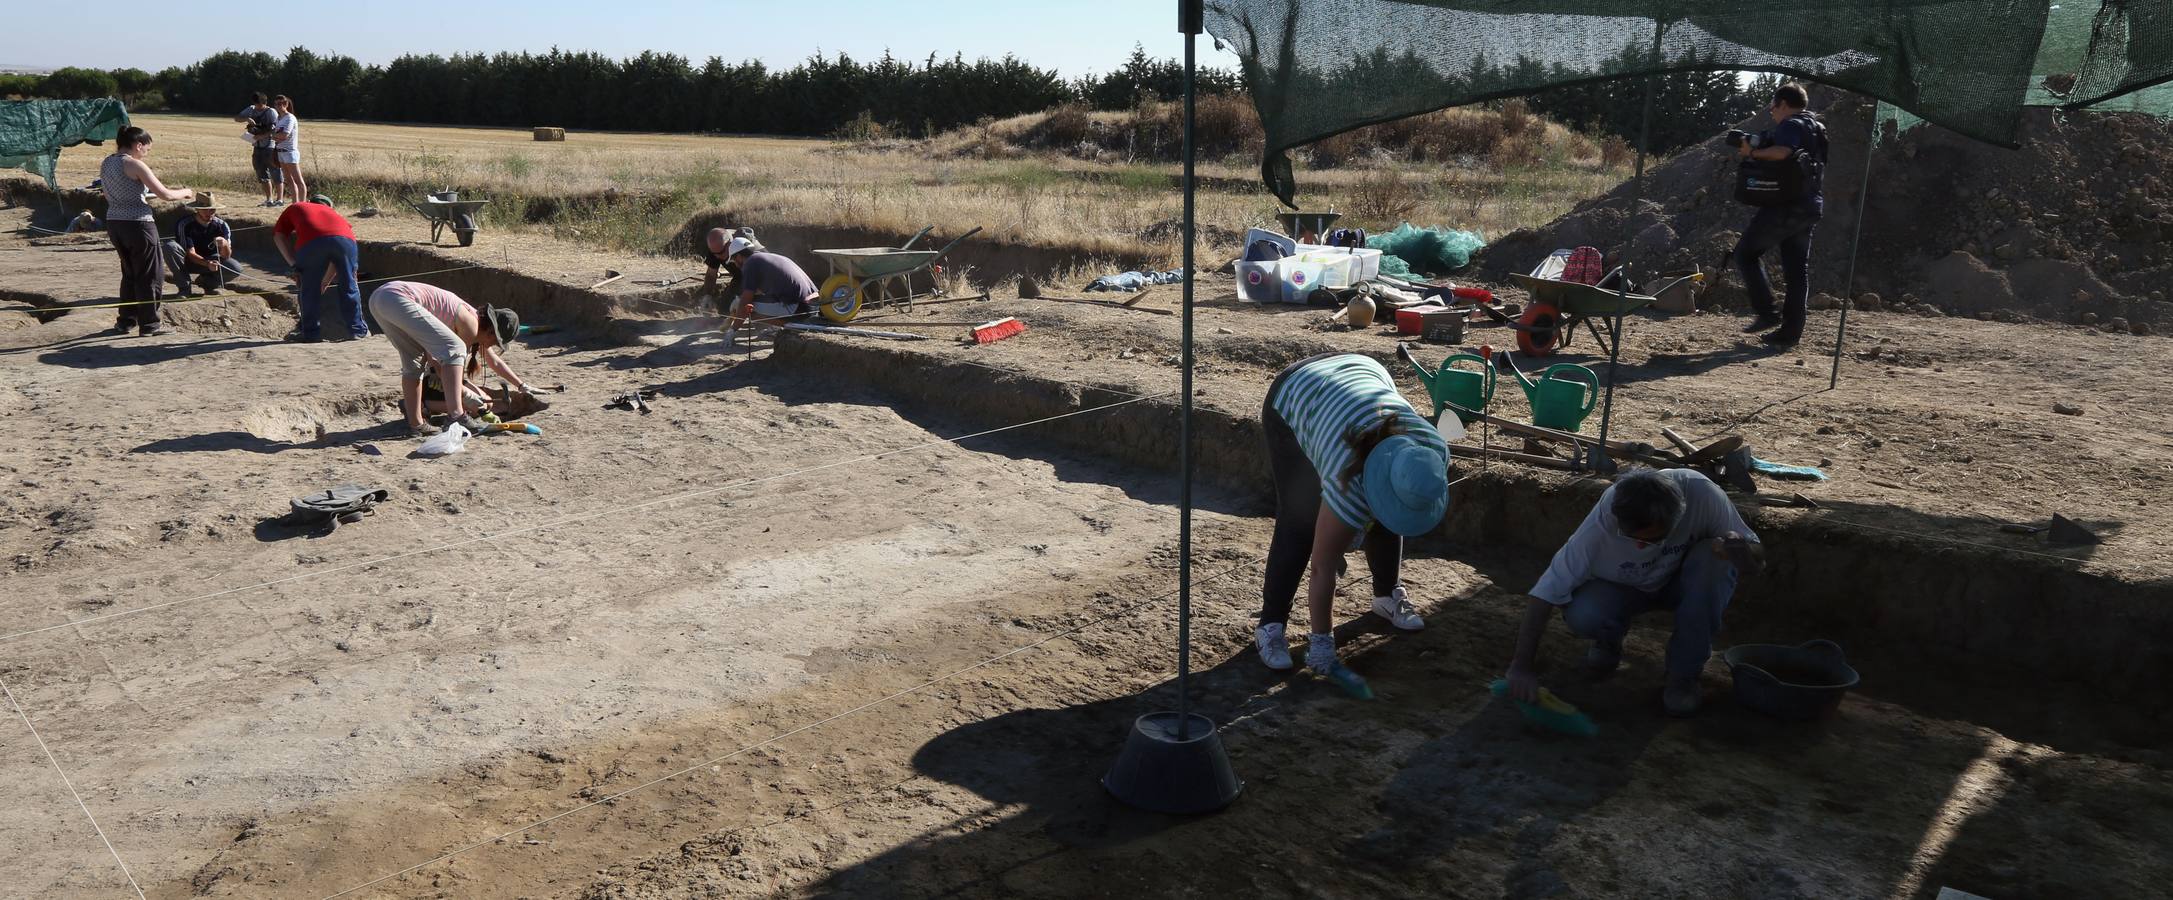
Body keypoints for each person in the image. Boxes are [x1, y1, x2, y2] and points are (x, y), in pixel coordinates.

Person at [1256, 352, 1458, 698]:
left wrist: (1358, 528)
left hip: (1363, 373)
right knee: (1300, 520)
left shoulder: (1431, 451)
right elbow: (1321, 568)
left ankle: (1385, 595)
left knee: (1389, 507)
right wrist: (1322, 642)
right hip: (1297, 394)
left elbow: (1393, 500)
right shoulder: (1347, 476)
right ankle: (1270, 624)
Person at [1501, 469, 1764, 717]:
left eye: (1650, 539)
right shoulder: (1603, 522)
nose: (1640, 545)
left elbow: (1756, 559)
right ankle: (1608, 640)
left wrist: (1739, 551)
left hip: (1682, 585)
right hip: (1625, 588)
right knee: (1585, 614)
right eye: (1632, 538)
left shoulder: (1703, 495)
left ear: (1679, 515)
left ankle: (1682, 678)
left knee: (1715, 562)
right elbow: (1547, 590)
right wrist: (1521, 667)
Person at [365, 280, 545, 437]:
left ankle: (416, 424)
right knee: (455, 348)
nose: (492, 346)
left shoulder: (474, 323)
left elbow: (494, 361)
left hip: (380, 299)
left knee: (414, 362)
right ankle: (456, 416)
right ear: (491, 331)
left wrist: (522, 385)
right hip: (398, 298)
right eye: (496, 341)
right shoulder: (471, 325)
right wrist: (466, 395)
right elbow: (439, 362)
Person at [1732, 82, 1827, 349]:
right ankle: (1790, 333)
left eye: (1773, 106)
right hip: (1810, 206)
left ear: (1784, 104)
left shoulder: (1791, 124)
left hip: (1786, 205)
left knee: (1746, 253)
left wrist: (1752, 152)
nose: (1772, 112)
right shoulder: (1817, 128)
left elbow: (1782, 152)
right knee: (1797, 272)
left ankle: (1767, 313)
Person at [99, 126, 193, 336]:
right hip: (139, 224)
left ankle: (126, 321)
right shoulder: (134, 164)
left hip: (114, 222)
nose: (146, 154)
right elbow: (165, 194)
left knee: (129, 273)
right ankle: (150, 324)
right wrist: (186, 192)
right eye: (146, 149)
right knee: (150, 274)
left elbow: (107, 193)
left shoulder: (107, 163)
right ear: (138, 145)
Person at [272, 195, 367, 342]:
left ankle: (310, 334)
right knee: (349, 285)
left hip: (312, 242)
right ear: (329, 206)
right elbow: (335, 248)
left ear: (310, 202)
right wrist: (325, 281)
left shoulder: (297, 206)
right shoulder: (335, 215)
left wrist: (293, 264)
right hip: (346, 241)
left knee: (309, 290)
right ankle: (357, 331)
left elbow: (279, 235)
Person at [718, 237, 819, 346]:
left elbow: (745, 303)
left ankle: (791, 326)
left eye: (734, 261)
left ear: (739, 257)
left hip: (800, 307)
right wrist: (740, 299)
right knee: (745, 304)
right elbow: (760, 290)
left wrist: (733, 330)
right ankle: (781, 326)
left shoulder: (750, 264)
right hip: (814, 304)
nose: (736, 265)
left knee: (748, 309)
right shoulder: (765, 258)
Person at [161, 193, 244, 297]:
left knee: (235, 268)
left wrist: (225, 245)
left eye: (212, 209)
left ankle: (208, 284)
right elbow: (190, 254)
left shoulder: (222, 225)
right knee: (169, 246)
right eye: (205, 209)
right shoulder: (185, 224)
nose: (209, 213)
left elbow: (226, 256)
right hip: (187, 261)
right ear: (197, 209)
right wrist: (207, 264)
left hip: (212, 261)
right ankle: (184, 289)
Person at [233, 92, 284, 206]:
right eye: (255, 105)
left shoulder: (271, 112)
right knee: (261, 173)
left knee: (275, 172)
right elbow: (236, 118)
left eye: (259, 105)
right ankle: (269, 200)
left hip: (270, 146)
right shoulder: (251, 109)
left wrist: (262, 136)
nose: (257, 107)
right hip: (257, 146)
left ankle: (280, 200)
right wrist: (247, 119)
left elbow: (276, 129)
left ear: (264, 103)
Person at [269, 95, 307, 206]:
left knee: (298, 180)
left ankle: (303, 204)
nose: (280, 106)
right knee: (289, 180)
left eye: (282, 103)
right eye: (277, 104)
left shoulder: (290, 118)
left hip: (290, 152)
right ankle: (295, 204)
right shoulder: (279, 118)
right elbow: (276, 135)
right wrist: (274, 136)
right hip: (280, 152)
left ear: (286, 104)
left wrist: (274, 136)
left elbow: (284, 135)